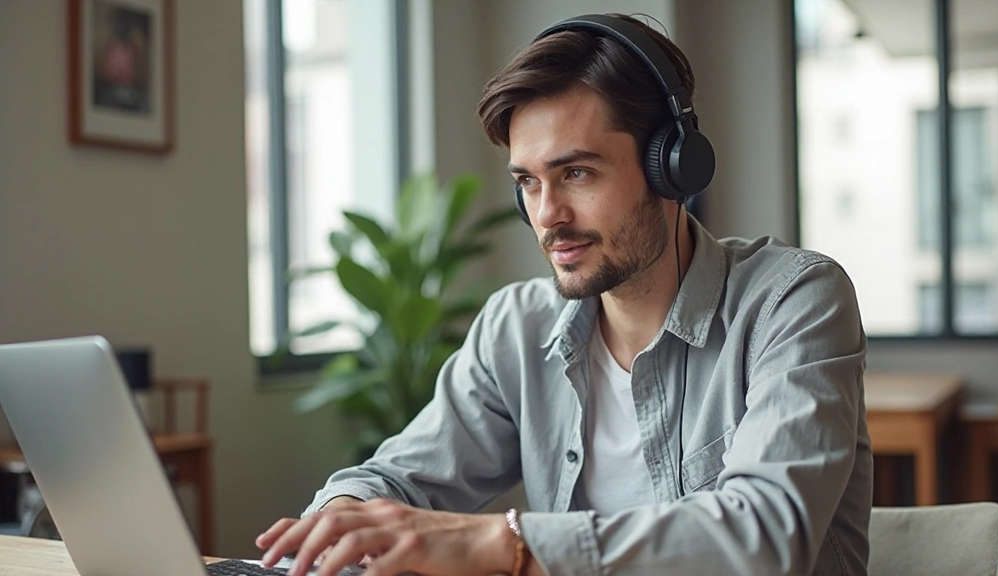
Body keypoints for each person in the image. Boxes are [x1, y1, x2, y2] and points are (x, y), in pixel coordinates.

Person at [257, 13, 872, 576]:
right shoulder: (516, 327)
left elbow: (766, 533)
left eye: (576, 173)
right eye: (528, 182)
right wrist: (345, 516)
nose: (547, 215)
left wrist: (503, 542)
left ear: (672, 169)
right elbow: (397, 478)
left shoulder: (794, 301)